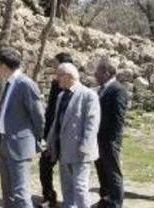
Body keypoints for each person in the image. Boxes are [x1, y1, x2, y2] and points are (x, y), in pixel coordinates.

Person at [0, 47, 45, 208]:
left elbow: (39, 116)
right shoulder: (10, 83)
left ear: (3, 66)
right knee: (7, 192)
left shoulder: (25, 84)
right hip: (4, 143)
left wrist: (37, 138)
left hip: (19, 146)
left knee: (20, 194)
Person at [46, 63, 100, 208]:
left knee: (80, 187)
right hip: (63, 148)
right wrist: (50, 143)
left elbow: (92, 124)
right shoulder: (61, 95)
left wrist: (85, 147)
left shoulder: (89, 95)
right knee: (67, 187)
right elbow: (56, 122)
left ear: (69, 76)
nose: (57, 79)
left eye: (59, 76)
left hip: (80, 150)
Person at [39, 52, 75, 208]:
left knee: (69, 173)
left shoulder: (79, 89)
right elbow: (51, 111)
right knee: (45, 164)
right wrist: (46, 134)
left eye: (55, 64)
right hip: (53, 134)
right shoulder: (55, 84)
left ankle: (72, 201)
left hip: (68, 137)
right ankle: (49, 196)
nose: (53, 67)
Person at [94, 57, 130, 208]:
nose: (95, 75)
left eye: (98, 72)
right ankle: (105, 198)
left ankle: (115, 202)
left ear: (107, 72)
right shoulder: (102, 89)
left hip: (109, 139)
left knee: (112, 171)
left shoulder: (118, 90)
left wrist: (112, 140)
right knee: (101, 170)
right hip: (99, 138)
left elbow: (118, 118)